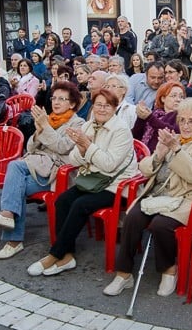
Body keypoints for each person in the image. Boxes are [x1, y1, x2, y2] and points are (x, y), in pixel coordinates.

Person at [104, 98, 192, 297]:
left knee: (160, 225)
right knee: (132, 217)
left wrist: (177, 150)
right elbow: (145, 170)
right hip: (158, 196)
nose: (185, 125)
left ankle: (168, 270)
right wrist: (159, 154)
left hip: (185, 200)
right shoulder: (171, 139)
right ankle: (123, 274)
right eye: (182, 120)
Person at [26, 88, 138, 276]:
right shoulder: (89, 125)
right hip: (93, 179)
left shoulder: (121, 130)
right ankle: (67, 256)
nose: (102, 110)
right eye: (98, 105)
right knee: (62, 200)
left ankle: (55, 254)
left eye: (107, 106)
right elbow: (74, 159)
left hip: (117, 185)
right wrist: (83, 148)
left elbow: (109, 165)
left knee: (80, 204)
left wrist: (88, 146)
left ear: (114, 108)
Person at [0, 82, 85, 259]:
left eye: (62, 99)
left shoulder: (78, 122)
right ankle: (12, 232)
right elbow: (30, 146)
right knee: (16, 186)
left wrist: (45, 127)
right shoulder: (49, 118)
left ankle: (12, 235)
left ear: (72, 104)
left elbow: (61, 147)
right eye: (54, 98)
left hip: (57, 173)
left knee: (14, 169)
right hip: (38, 168)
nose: (56, 102)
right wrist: (39, 130)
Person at [132, 81, 185, 152]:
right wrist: (141, 117)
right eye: (174, 96)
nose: (178, 100)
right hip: (143, 155)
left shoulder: (182, 117)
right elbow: (135, 136)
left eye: (181, 97)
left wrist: (149, 118)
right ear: (163, 98)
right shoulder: (155, 113)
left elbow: (173, 131)